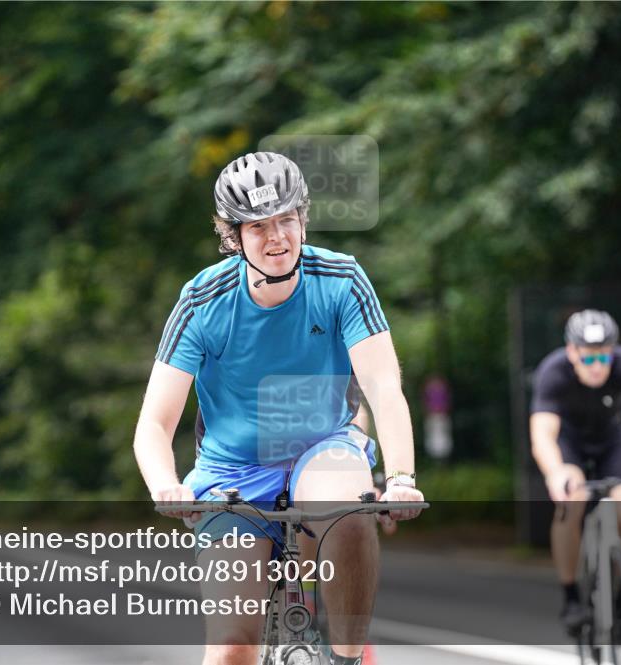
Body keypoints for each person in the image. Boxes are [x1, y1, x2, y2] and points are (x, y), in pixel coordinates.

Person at [134, 151, 424, 665]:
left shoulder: (341, 279)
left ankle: (347, 659)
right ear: (233, 237)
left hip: (322, 447)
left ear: (303, 219)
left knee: (350, 513)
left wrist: (401, 477)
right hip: (232, 470)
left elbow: (383, 387)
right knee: (232, 647)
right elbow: (154, 423)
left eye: (286, 220)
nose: (277, 238)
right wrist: (165, 485)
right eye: (258, 227)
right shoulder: (203, 299)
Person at [529, 309, 621, 630]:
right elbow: (542, 435)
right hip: (569, 446)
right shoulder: (553, 372)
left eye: (604, 357)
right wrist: (555, 472)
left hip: (611, 443)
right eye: (589, 358)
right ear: (572, 352)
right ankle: (571, 596)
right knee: (570, 503)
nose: (597, 366)